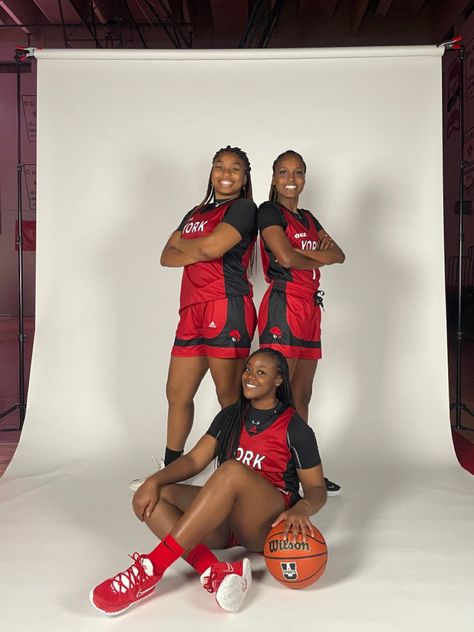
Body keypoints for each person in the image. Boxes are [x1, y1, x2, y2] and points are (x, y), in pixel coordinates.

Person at [90, 349, 327, 615]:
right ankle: (215, 571)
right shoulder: (230, 416)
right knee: (157, 498)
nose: (250, 376)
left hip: (265, 524)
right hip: (225, 523)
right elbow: (193, 461)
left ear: (279, 381)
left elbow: (317, 489)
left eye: (262, 372)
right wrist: (153, 481)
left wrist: (302, 508)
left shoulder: (295, 427)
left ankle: (151, 569)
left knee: (231, 471)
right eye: (248, 369)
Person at [131, 146, 258, 488]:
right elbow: (165, 256)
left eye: (234, 168)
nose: (225, 173)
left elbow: (212, 249)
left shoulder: (245, 208)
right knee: (177, 392)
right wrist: (201, 246)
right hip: (191, 310)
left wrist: (194, 249)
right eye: (219, 166)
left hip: (226, 305)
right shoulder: (197, 211)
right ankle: (171, 471)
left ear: (245, 178)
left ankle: (232, 472)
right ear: (211, 172)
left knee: (228, 395)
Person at [257, 150, 345, 495]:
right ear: (275, 177)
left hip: (310, 308)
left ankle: (299, 467)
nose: (291, 178)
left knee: (303, 394)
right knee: (280, 392)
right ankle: (271, 469)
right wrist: (316, 257)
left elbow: (340, 255)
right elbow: (285, 256)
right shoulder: (269, 211)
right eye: (283, 172)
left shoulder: (308, 217)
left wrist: (308, 257)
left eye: (298, 172)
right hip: (283, 303)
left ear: (305, 178)